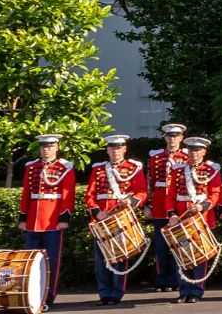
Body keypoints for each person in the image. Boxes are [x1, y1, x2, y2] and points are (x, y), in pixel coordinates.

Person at [85, 134, 145, 306]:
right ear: (107, 150)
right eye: (112, 148)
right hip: (102, 220)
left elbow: (142, 192)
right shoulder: (98, 170)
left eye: (118, 148)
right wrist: (97, 213)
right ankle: (104, 293)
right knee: (101, 259)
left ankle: (117, 293)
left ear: (124, 149)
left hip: (121, 219)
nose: (115, 151)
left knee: (120, 257)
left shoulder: (133, 168)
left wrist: (131, 202)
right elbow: (90, 196)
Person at [18, 134, 75, 309]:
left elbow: (68, 195)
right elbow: (27, 193)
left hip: (52, 220)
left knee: (51, 261)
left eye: (50, 146)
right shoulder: (32, 167)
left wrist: (64, 217)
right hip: (33, 220)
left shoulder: (64, 167)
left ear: (57, 147)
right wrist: (23, 217)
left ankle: (47, 297)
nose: (46, 149)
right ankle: (31, 295)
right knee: (30, 261)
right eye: (43, 146)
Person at [170, 137, 222, 304]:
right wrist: (171, 214)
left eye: (198, 150)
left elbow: (215, 193)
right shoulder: (178, 170)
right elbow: (170, 195)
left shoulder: (211, 170)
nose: (194, 153)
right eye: (191, 150)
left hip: (202, 217)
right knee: (183, 255)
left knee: (200, 256)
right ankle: (184, 290)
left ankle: (197, 291)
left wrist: (203, 206)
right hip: (181, 218)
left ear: (204, 152)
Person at [142, 122, 191, 292]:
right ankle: (163, 279)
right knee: (161, 245)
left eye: (176, 136)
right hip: (159, 204)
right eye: (169, 136)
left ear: (181, 138)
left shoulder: (187, 157)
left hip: (179, 205)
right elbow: (150, 183)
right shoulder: (156, 157)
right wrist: (147, 205)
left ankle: (178, 278)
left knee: (179, 243)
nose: (172, 139)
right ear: (165, 138)